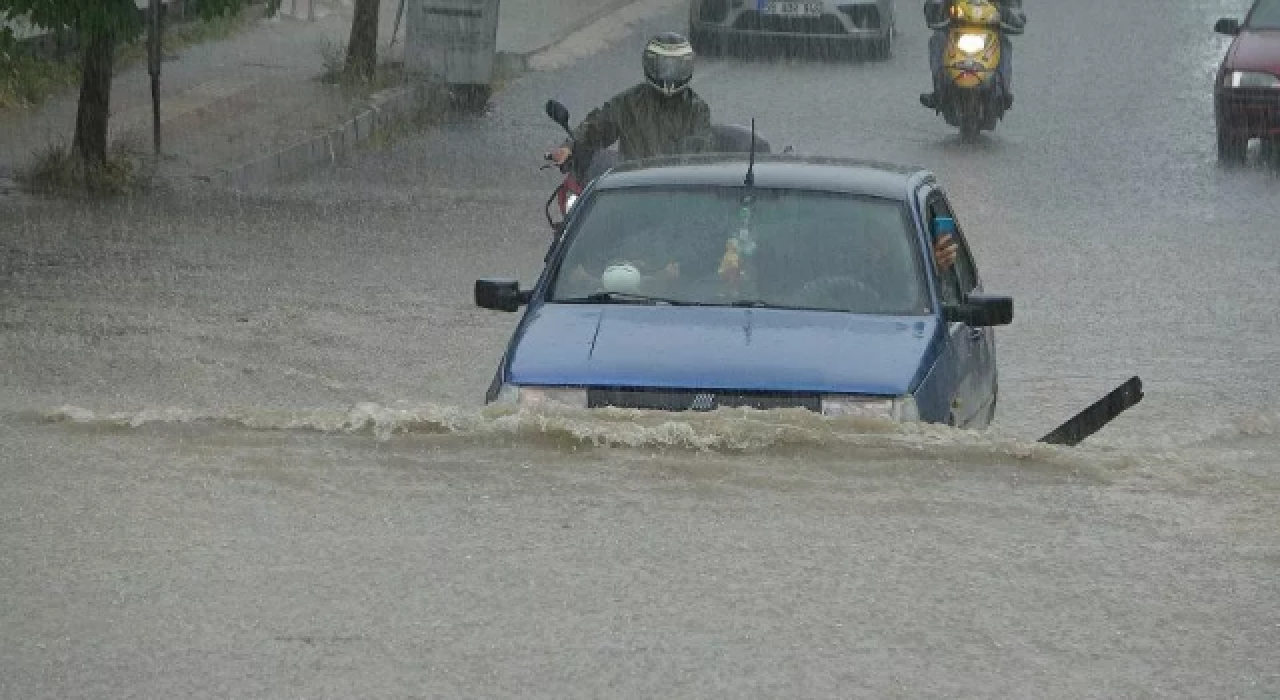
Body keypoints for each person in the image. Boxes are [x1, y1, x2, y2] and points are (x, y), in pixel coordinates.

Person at [550, 32, 714, 167]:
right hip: (631, 186)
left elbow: (701, 151)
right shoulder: (628, 102)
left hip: (677, 189)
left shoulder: (697, 108)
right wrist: (569, 147)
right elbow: (598, 126)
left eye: (676, 68)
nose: (669, 75)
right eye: (664, 67)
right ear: (649, 64)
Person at [918, 0, 1025, 111]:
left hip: (990, 25)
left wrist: (1011, 13)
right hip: (957, 22)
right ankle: (939, 91)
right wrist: (937, 7)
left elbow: (1013, 6)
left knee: (1004, 43)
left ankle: (1002, 92)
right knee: (937, 40)